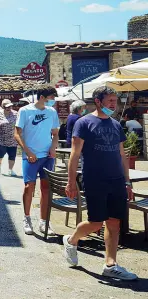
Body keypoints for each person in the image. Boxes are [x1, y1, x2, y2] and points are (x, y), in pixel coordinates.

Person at [63, 86, 138, 281]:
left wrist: (127, 182)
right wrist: (71, 182)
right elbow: (75, 154)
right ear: (98, 101)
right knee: (96, 222)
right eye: (110, 100)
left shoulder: (115, 124)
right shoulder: (84, 123)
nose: (114, 104)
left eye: (115, 101)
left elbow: (122, 155)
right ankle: (72, 240)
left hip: (117, 181)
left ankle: (110, 264)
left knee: (114, 223)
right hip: (95, 179)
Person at [14, 85, 60, 235]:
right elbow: (17, 134)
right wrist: (27, 151)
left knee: (46, 189)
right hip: (31, 156)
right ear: (42, 97)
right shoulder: (25, 111)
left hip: (47, 157)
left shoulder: (52, 112)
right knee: (29, 187)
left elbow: (55, 134)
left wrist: (53, 147)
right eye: (51, 98)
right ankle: (27, 218)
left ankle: (44, 221)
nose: (53, 101)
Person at [0, 99, 19, 176]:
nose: (9, 108)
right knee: (0, 154)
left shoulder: (16, 114)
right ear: (3, 107)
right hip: (1, 138)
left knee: (12, 155)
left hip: (12, 139)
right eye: (7, 107)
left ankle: (10, 170)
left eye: (10, 106)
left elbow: (20, 125)